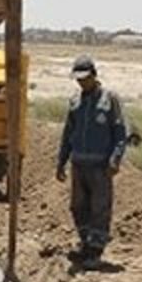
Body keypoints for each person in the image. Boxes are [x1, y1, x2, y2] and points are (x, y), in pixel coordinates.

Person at [55, 56, 128, 269]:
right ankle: (86, 244)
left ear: (94, 75)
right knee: (78, 206)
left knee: (99, 208)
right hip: (78, 164)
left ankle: (95, 251)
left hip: (100, 166)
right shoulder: (75, 101)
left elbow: (120, 132)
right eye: (77, 79)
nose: (81, 83)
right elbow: (68, 132)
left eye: (84, 78)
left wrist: (115, 158)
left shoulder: (109, 99)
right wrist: (61, 162)